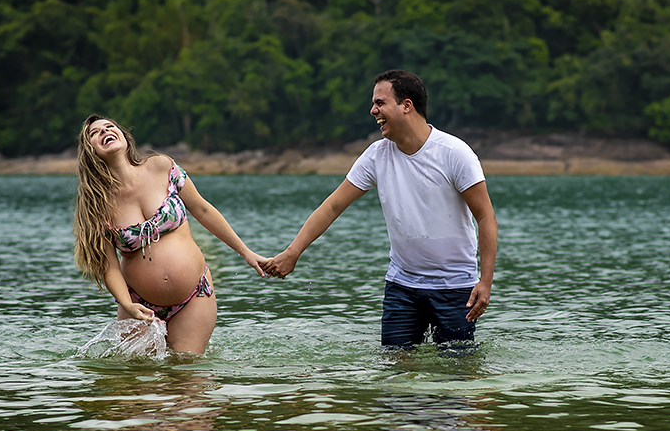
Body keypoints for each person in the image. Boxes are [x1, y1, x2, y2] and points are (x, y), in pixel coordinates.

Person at [264, 69, 497, 349]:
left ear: (406, 106)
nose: (373, 110)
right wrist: (293, 252)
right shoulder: (377, 155)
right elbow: (333, 206)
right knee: (395, 371)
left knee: (456, 375)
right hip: (403, 285)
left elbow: (486, 217)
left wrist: (485, 281)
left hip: (455, 286)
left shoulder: (454, 153)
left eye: (380, 103)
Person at [73, 114, 270, 355]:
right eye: (95, 133)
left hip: (194, 296)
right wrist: (127, 305)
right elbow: (108, 266)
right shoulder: (97, 203)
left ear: (124, 135)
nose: (104, 132)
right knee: (137, 386)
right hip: (137, 303)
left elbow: (203, 209)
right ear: (89, 151)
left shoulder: (161, 166)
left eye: (109, 127)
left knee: (188, 379)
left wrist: (246, 253)